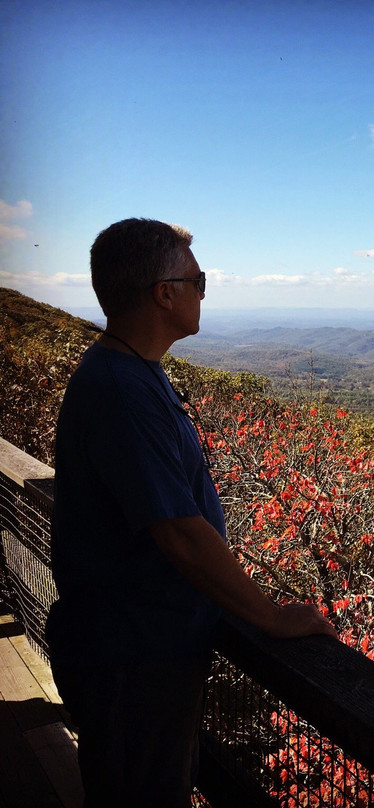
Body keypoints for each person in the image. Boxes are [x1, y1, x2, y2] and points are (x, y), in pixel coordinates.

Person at [45, 218, 336, 807]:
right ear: (165, 293)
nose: (204, 292)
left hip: (135, 647)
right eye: (198, 281)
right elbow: (179, 532)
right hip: (134, 657)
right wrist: (270, 617)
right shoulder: (123, 390)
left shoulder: (129, 372)